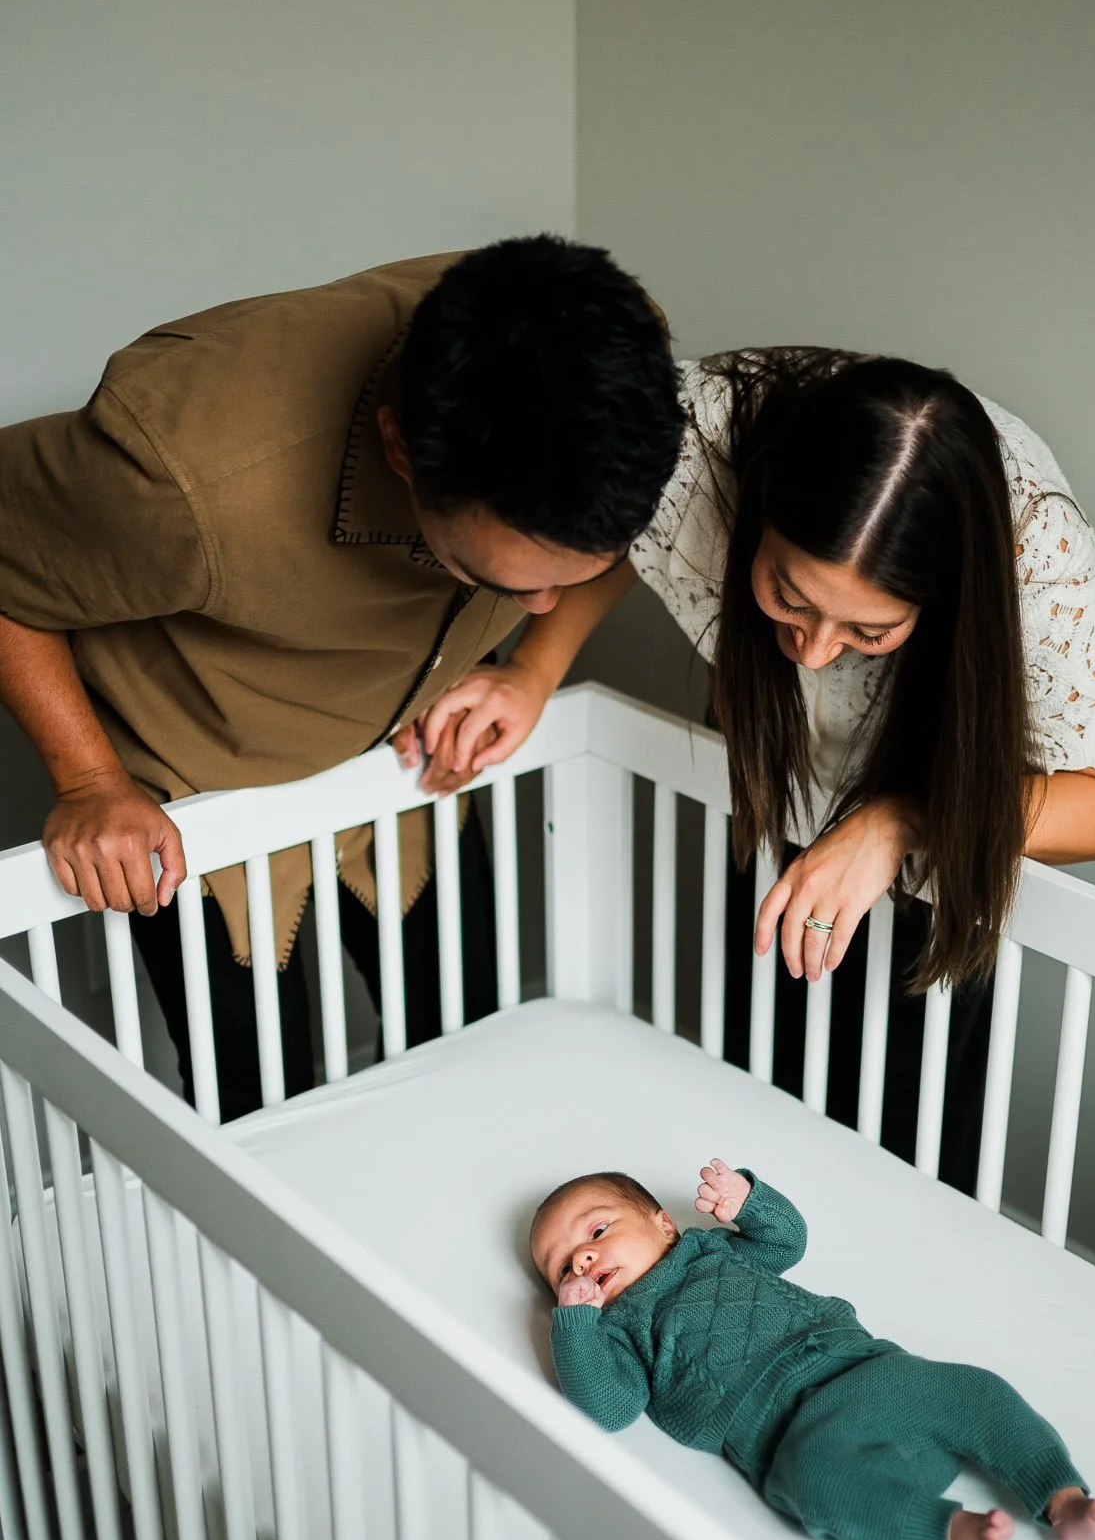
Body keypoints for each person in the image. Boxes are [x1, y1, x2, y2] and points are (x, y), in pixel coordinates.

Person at [421, 350, 1095, 1189]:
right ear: (759, 504)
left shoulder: (1039, 556)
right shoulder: (688, 432)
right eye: (787, 596)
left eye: (868, 632)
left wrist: (903, 820)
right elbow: (626, 524)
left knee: (907, 1113)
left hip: (939, 801)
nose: (811, 652)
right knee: (754, 1048)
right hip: (773, 763)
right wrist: (533, 669)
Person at [0, 237, 682, 1118]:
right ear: (400, 450)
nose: (545, 606)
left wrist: (530, 668)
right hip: (198, 786)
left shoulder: (620, 368)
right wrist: (89, 779)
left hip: (406, 756)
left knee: (477, 1030)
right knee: (262, 1097)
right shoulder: (183, 475)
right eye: (501, 582)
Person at [531, 1158, 1095, 1540]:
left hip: (867, 1369)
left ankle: (1063, 1501)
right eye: (562, 1268)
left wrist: (748, 1200)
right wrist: (576, 1327)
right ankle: (951, 1530)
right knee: (813, 1486)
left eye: (597, 1231)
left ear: (663, 1223)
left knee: (977, 1391)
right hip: (796, 1434)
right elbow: (611, 1408)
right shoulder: (615, 1332)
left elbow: (786, 1241)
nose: (582, 1259)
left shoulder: (710, 1250)